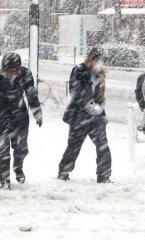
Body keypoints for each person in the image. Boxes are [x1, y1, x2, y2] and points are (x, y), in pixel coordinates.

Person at [0, 53, 42, 189]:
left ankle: (18, 166)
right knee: (2, 151)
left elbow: (31, 94)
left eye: (12, 71)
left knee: (21, 149)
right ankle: (5, 180)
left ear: (18, 69)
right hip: (0, 117)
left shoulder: (26, 74)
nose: (9, 74)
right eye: (7, 71)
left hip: (19, 117)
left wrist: (37, 112)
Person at [58, 47, 112, 183]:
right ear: (91, 59)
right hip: (79, 116)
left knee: (103, 146)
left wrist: (100, 108)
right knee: (74, 146)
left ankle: (104, 175)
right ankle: (63, 173)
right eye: (98, 61)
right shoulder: (79, 70)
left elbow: (100, 94)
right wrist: (87, 106)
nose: (101, 65)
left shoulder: (100, 74)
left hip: (96, 116)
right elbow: (75, 91)